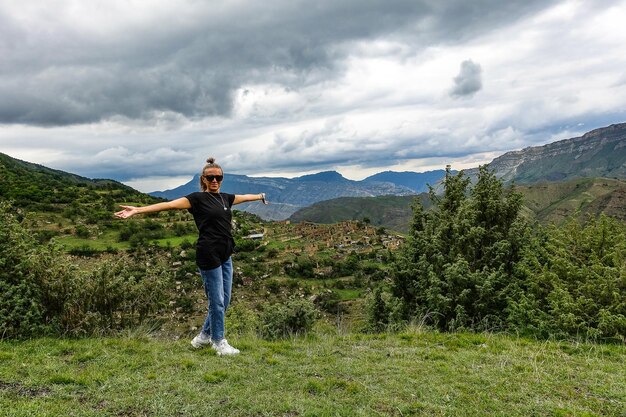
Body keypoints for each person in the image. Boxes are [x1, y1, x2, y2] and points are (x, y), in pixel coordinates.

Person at [114, 157, 268, 355]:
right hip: (208, 254)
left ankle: (203, 337)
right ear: (203, 179)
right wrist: (137, 210)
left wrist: (259, 195)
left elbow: (245, 196)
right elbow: (168, 205)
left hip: (226, 253)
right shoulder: (196, 199)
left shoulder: (225, 198)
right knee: (217, 301)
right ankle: (218, 342)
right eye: (210, 177)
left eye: (218, 177)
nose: (215, 180)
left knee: (225, 300)